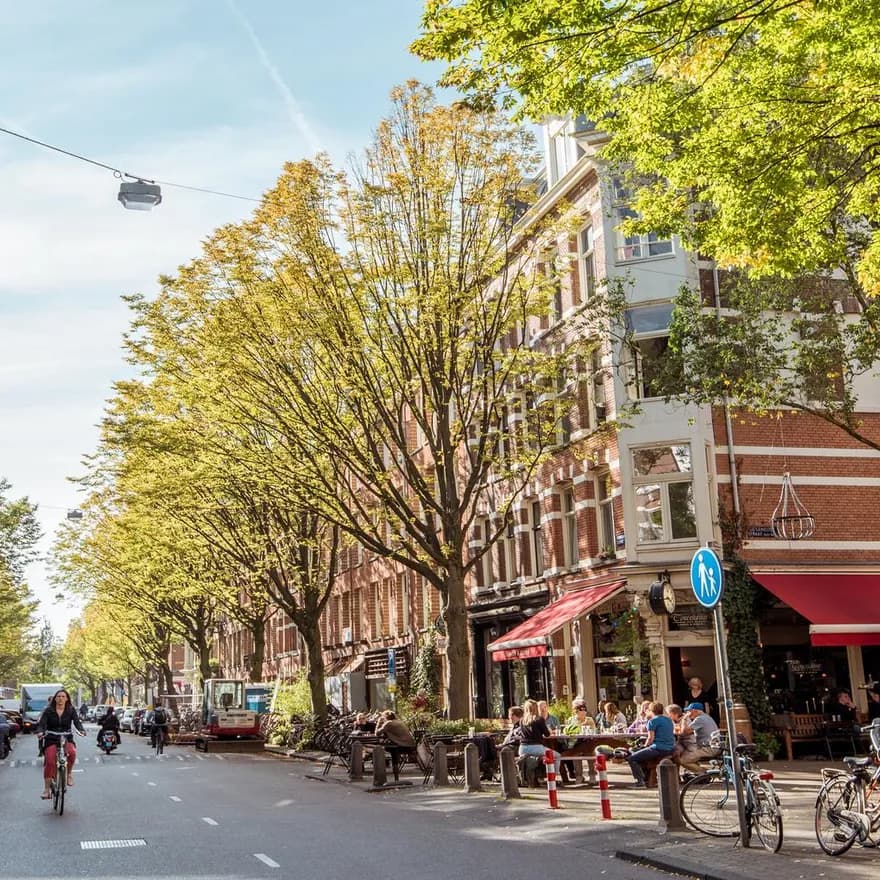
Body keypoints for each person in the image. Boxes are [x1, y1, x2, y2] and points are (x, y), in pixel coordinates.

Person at [36, 688, 86, 799]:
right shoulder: (48, 710)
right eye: (58, 696)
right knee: (50, 761)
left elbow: (77, 722)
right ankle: (46, 789)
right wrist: (40, 732)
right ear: (55, 698)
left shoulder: (71, 710)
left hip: (66, 736)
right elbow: (42, 723)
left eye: (63, 696)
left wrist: (81, 730)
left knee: (72, 752)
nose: (61, 699)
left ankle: (68, 775)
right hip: (51, 737)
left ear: (67, 699)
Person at [626, 701, 675, 788]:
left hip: (658, 748)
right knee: (640, 754)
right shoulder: (668, 720)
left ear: (651, 711)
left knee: (632, 758)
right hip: (671, 748)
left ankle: (640, 781)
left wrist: (644, 746)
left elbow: (650, 738)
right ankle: (646, 778)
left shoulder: (652, 721)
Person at [517, 698, 561, 779]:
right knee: (557, 755)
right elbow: (547, 734)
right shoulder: (539, 719)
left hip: (522, 748)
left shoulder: (522, 720)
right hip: (536, 747)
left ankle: (539, 778)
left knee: (543, 757)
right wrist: (550, 731)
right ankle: (555, 777)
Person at [676, 702, 721, 774]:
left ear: (694, 711)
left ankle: (704, 774)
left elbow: (685, 732)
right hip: (713, 746)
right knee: (688, 753)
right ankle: (700, 774)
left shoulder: (699, 719)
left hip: (709, 748)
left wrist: (684, 718)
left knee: (683, 760)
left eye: (689, 711)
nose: (687, 713)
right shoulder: (707, 717)